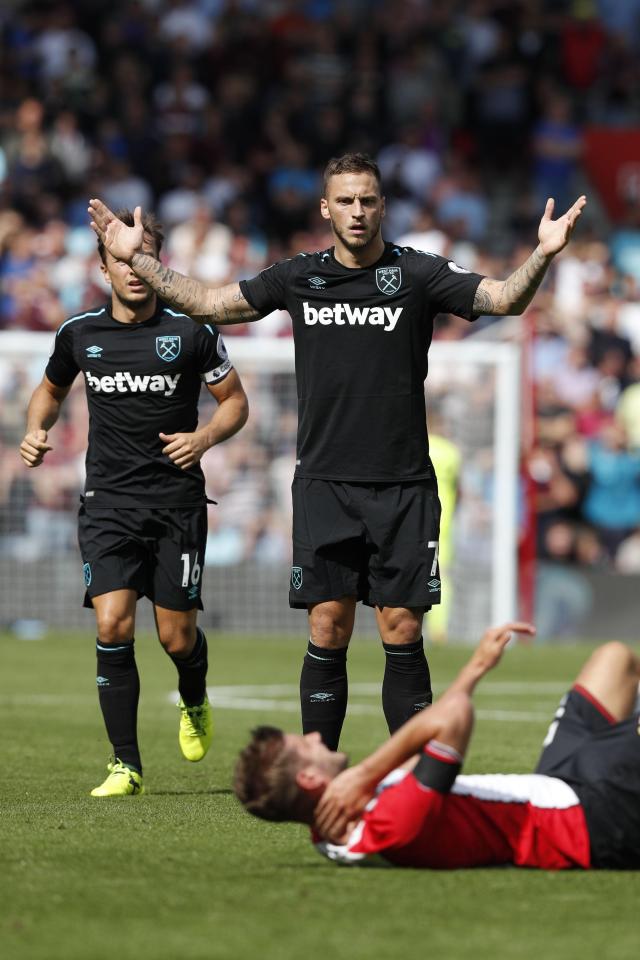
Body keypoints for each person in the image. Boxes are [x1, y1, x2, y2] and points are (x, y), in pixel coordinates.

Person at [88, 153, 587, 750]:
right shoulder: (299, 276)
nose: (357, 211)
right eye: (345, 201)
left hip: (403, 485)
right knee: (328, 626)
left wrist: (543, 254)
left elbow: (504, 299)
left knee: (401, 629)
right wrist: (136, 257)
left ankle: (409, 778)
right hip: (325, 483)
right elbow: (210, 303)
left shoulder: (419, 275)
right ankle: (317, 769)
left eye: (368, 200)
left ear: (383, 206)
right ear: (325, 208)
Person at [20, 208, 249, 796]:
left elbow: (235, 404)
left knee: (176, 637)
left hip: (176, 505)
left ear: (157, 264)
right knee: (113, 622)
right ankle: (125, 765)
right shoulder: (79, 335)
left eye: (142, 258)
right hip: (108, 504)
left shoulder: (192, 331)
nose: (133, 270)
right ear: (103, 267)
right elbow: (47, 394)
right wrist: (35, 430)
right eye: (122, 259)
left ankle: (193, 698)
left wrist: (203, 439)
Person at [233, 622, 640, 870]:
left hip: (555, 787)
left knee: (614, 658)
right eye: (305, 745)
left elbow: (423, 746)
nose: (316, 736)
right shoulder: (390, 826)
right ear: (308, 777)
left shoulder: (333, 827)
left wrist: (477, 666)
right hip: (588, 820)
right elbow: (454, 718)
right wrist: (364, 772)